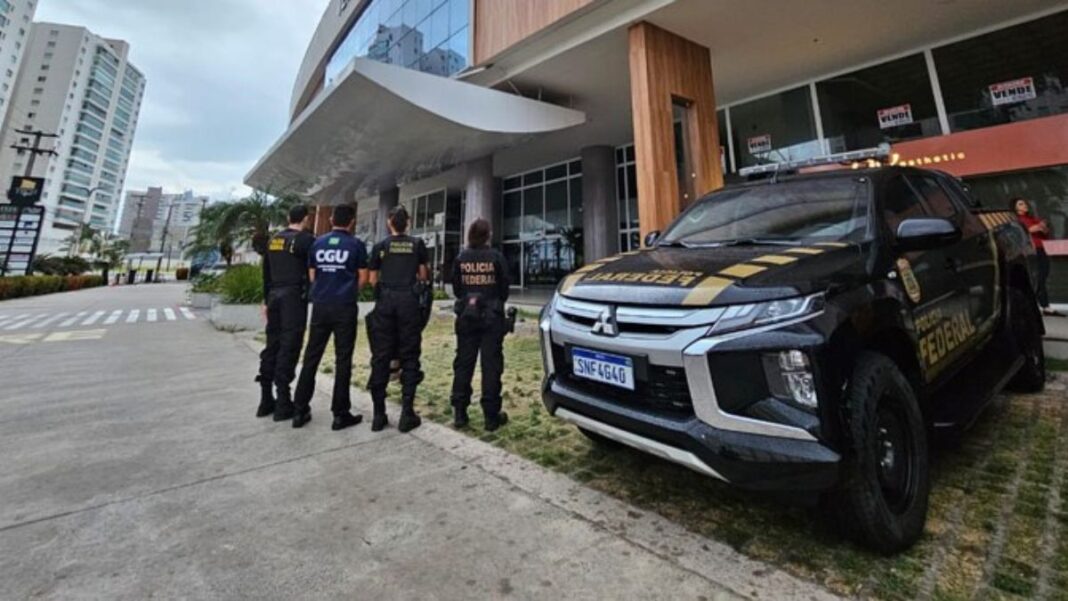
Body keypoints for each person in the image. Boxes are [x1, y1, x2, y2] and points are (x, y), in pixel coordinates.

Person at [291, 204, 369, 430]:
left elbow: (312, 274)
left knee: (311, 356)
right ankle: (340, 413)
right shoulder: (356, 245)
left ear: (332, 219)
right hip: (344, 306)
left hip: (321, 306)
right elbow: (363, 277)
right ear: (351, 222)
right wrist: (349, 290)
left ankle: (299, 409)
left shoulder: (317, 243)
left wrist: (325, 288)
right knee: (343, 359)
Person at [366, 206, 430, 433]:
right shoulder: (417, 244)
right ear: (408, 223)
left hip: (386, 302)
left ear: (389, 222)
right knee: (410, 356)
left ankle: (378, 415)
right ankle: (407, 413)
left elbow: (372, 279)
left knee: (381, 357)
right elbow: (423, 275)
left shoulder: (380, 247)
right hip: (408, 302)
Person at [449, 218, 511, 431]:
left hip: (467, 316)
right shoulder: (496, 257)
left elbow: (457, 289)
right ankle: (491, 416)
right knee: (491, 366)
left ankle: (459, 412)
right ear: (487, 235)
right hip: (492, 318)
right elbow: (504, 289)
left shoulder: (461, 258)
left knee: (463, 364)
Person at [257, 205, 315, 420]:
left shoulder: (274, 240)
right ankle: (283, 401)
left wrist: (266, 300)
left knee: (272, 344)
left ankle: (265, 399)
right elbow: (313, 270)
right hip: (293, 297)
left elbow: (266, 273)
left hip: (274, 296)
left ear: (289, 217)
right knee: (289, 345)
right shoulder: (305, 240)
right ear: (306, 219)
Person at [1013, 198, 1062, 316]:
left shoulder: (1032, 219)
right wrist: (1038, 227)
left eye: (1025, 203)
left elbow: (1045, 230)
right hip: (1032, 251)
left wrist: (1040, 227)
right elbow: (1028, 230)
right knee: (1036, 278)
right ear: (1015, 208)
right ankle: (1037, 306)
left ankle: (1042, 306)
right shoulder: (1017, 220)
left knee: (1042, 277)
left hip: (1042, 249)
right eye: (1021, 204)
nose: (1025, 205)